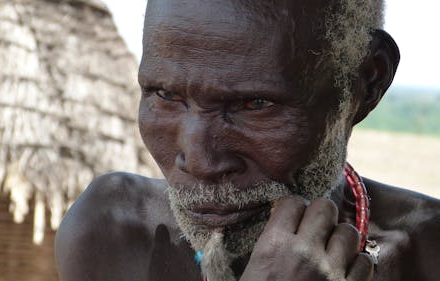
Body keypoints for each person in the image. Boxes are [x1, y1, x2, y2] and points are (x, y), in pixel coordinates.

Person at [55, 0, 440, 280]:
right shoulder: (111, 231)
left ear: (365, 83)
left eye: (256, 104)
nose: (199, 159)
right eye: (165, 95)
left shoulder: (428, 251)